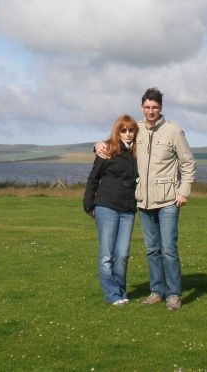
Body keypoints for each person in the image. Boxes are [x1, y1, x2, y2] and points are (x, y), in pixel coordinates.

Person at [96, 88, 196, 310]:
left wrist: (184, 191)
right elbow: (115, 141)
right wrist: (96, 145)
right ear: (142, 107)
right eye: (147, 107)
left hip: (169, 199)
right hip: (143, 201)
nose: (151, 111)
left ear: (161, 108)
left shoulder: (174, 131)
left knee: (168, 248)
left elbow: (188, 163)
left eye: (155, 107)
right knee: (152, 249)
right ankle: (156, 291)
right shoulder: (136, 129)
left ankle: (173, 295)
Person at [83, 114, 139, 306]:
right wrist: (88, 205)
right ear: (117, 131)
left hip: (128, 210)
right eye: (123, 130)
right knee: (107, 255)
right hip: (106, 207)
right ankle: (113, 295)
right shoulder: (107, 150)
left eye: (131, 130)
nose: (128, 134)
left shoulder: (139, 153)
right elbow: (93, 178)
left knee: (122, 254)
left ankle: (121, 292)